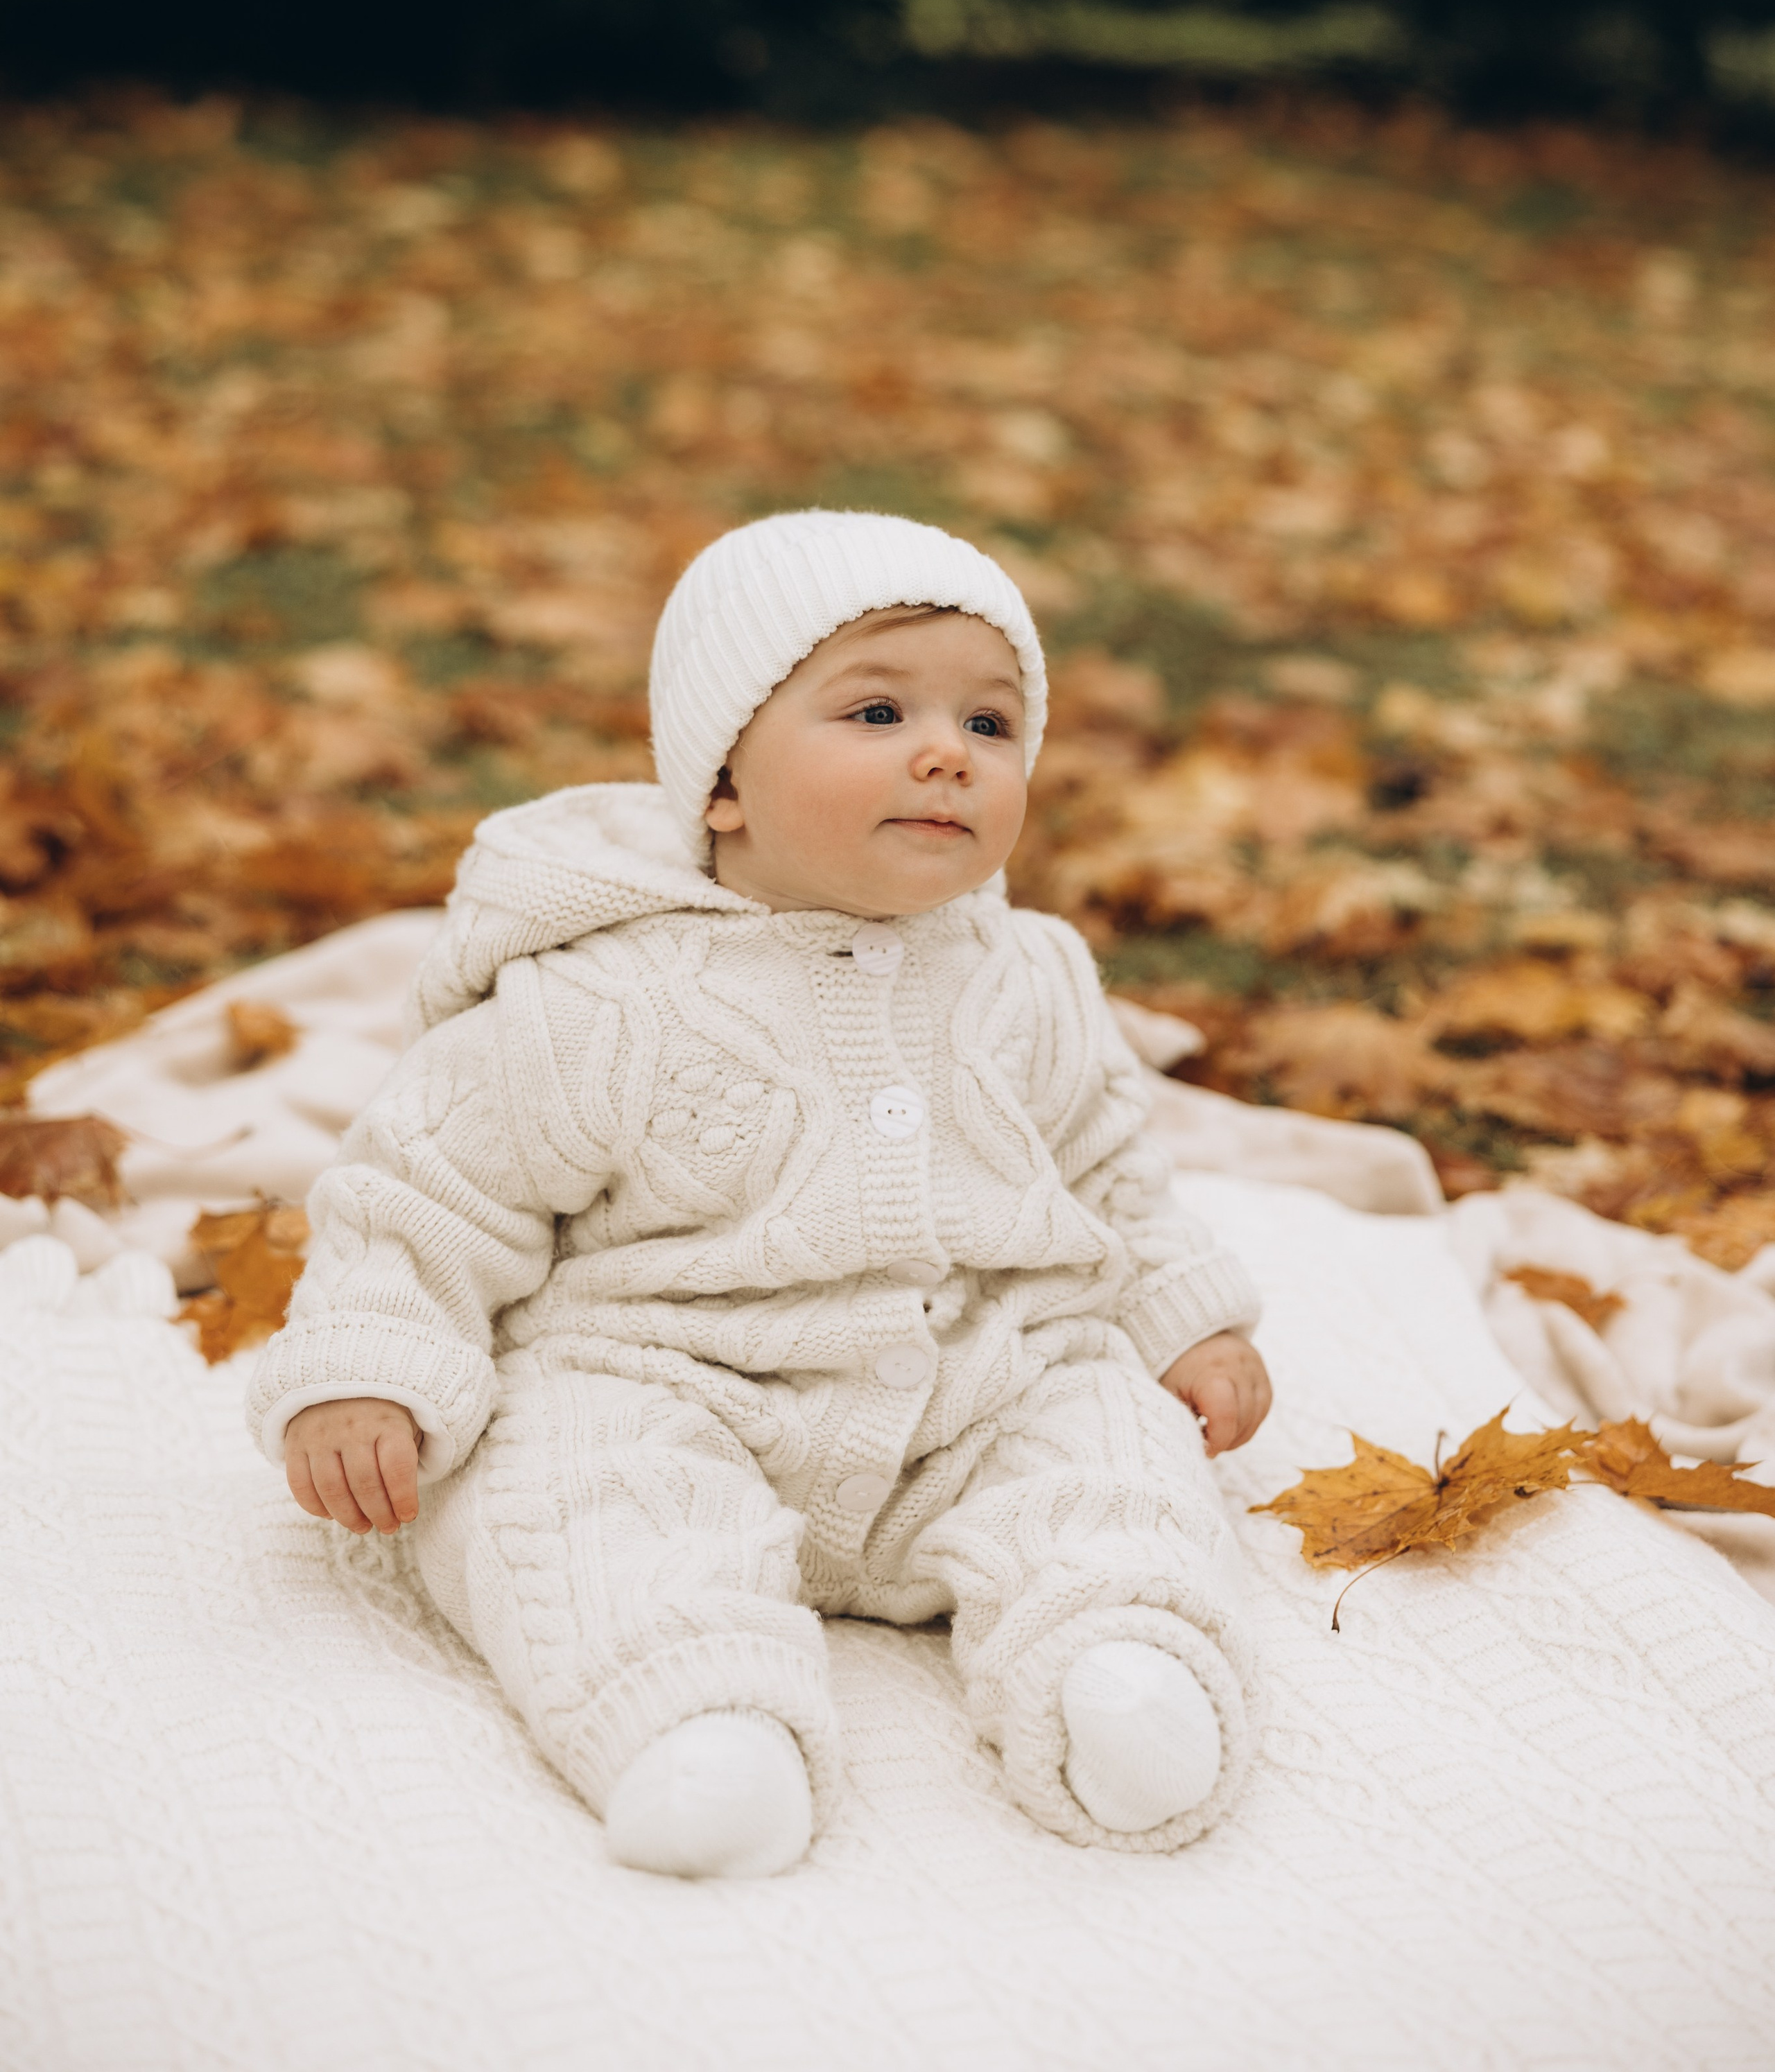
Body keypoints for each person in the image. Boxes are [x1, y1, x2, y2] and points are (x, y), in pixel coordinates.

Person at [249, 510, 1272, 1879]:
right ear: (721, 782)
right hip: (678, 1377)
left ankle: (1115, 1659)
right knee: (558, 1467)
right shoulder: (603, 996)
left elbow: (1104, 1170)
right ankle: (693, 1714)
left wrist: (1180, 1321)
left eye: (989, 726)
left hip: (960, 1390)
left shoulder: (1030, 977)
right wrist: (368, 1369)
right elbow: (431, 1191)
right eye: (875, 708)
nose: (943, 753)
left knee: (1101, 1436)